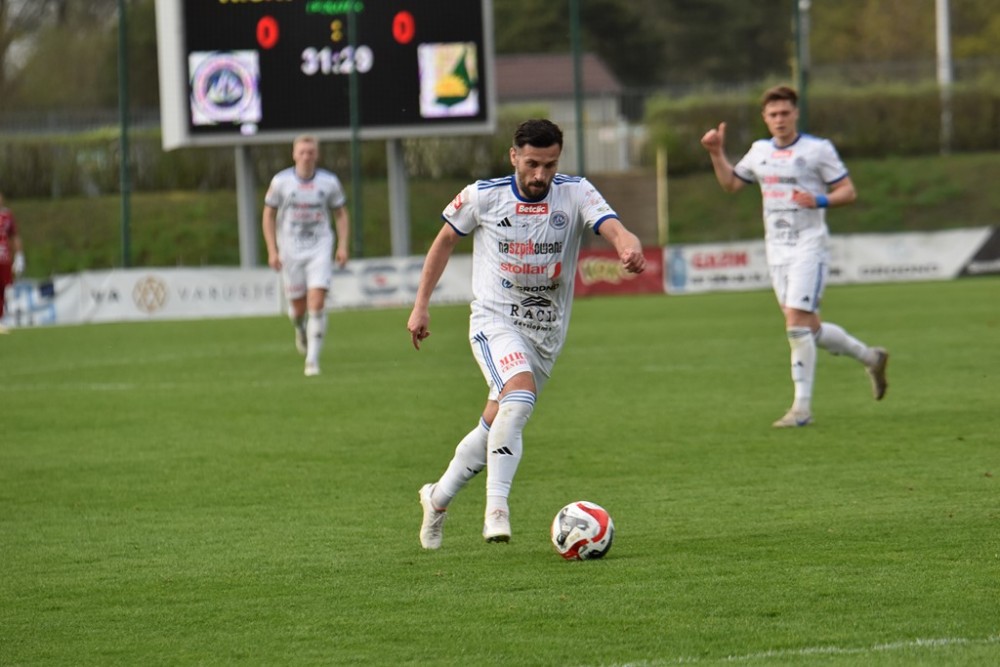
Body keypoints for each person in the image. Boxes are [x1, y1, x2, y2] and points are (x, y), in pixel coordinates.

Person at [407, 119, 647, 549]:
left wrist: (628, 246)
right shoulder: (483, 196)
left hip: (545, 334)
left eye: (549, 165)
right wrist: (421, 303)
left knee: (495, 423)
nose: (540, 175)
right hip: (494, 320)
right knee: (517, 397)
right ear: (514, 156)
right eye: (532, 163)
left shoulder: (575, 192)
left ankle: (437, 498)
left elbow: (614, 227)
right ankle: (496, 509)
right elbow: (443, 241)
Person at [700, 85, 889, 428]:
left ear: (796, 113)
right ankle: (871, 357)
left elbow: (848, 191)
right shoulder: (759, 151)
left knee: (796, 323)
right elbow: (731, 184)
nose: (780, 119)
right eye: (773, 114)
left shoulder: (818, 150)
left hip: (808, 245)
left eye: (785, 113)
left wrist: (820, 200)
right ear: (764, 118)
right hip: (777, 249)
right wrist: (716, 152)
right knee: (808, 328)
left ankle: (801, 409)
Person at [262, 135, 351, 376]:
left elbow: (341, 214)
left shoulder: (329, 182)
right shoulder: (280, 182)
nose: (306, 156)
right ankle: (300, 328)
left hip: (319, 246)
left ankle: (312, 361)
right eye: (302, 152)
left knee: (317, 302)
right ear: (294, 154)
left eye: (310, 152)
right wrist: (272, 250)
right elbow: (268, 215)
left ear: (317, 155)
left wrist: (342, 246)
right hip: (289, 248)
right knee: (298, 309)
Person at [0, 192, 26, 334]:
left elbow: (15, 236)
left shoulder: (7, 216)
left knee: (2, 288)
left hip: (4, 258)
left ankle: (0, 319)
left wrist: (19, 256)